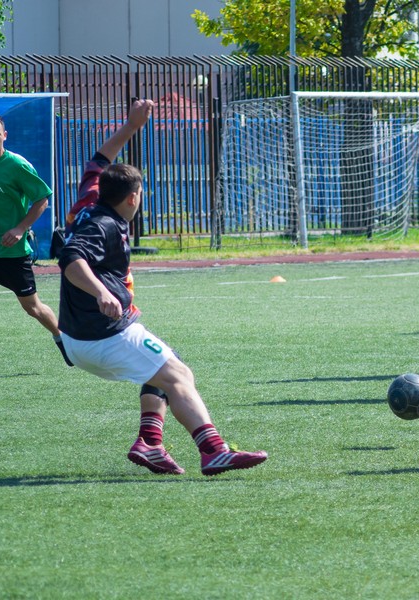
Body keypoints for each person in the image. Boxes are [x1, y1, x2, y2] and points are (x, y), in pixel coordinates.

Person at [58, 98, 267, 476]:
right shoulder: (103, 225)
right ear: (133, 197)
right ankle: (214, 451)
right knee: (178, 376)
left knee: (169, 363)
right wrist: (102, 292)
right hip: (102, 334)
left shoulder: (92, 195)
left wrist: (132, 126)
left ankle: (150, 443)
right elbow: (72, 259)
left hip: (81, 334)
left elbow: (100, 159)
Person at [0, 113, 73, 366]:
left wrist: (20, 228)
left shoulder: (17, 165)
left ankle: (63, 339)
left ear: (5, 135)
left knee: (32, 308)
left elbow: (42, 199)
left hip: (12, 253)